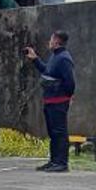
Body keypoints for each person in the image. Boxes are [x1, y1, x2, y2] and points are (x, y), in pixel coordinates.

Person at [25, 30, 76, 173]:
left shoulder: (64, 58)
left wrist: (66, 97)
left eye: (51, 39)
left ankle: (61, 163)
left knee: (59, 131)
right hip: (50, 100)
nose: (49, 42)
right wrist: (35, 59)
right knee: (53, 132)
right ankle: (54, 161)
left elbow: (70, 82)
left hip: (58, 100)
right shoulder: (55, 57)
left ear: (56, 41)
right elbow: (47, 72)